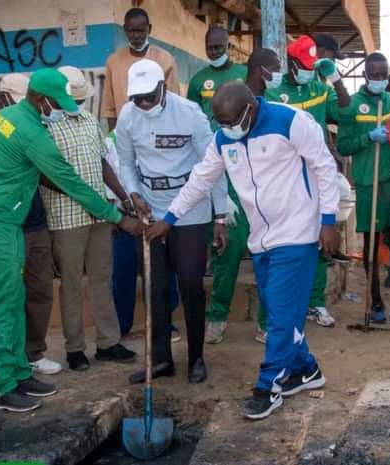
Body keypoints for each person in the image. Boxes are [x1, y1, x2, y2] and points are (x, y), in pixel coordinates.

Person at [148, 81, 339, 419]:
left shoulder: (291, 121)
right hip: (261, 236)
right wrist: (170, 218)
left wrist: (328, 220)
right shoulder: (224, 139)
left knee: (280, 314)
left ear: (250, 109)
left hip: (298, 233)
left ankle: (269, 385)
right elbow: (200, 180)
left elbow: (324, 166)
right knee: (278, 308)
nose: (225, 128)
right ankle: (305, 370)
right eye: (219, 123)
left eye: (231, 121)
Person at [0, 67, 142, 413]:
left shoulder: (8, 116)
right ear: (41, 99)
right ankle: (2, 387)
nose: (60, 109)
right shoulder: (32, 133)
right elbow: (71, 183)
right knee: (3, 303)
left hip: (5, 215)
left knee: (16, 298)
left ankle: (19, 372)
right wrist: (118, 217)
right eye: (56, 103)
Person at [117, 59, 228, 385]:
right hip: (150, 208)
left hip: (190, 209)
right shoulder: (127, 116)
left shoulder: (190, 113)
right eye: (137, 97)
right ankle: (161, 359)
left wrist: (220, 215)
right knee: (154, 287)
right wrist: (134, 194)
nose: (143, 103)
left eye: (148, 96)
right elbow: (125, 163)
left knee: (191, 285)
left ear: (163, 86)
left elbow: (213, 164)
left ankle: (195, 358)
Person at [0, 74, 62, 376]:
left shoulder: (32, 123)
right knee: (6, 298)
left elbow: (42, 170)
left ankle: (30, 356)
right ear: (4, 97)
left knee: (38, 289)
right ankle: (8, 373)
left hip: (32, 221)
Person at [41, 66, 136, 371]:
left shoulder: (89, 121)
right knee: (70, 284)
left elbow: (102, 163)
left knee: (101, 279)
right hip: (66, 217)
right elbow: (46, 175)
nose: (78, 104)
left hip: (100, 214)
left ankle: (108, 342)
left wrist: (123, 197)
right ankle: (75, 348)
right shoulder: (44, 126)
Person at [265, 34, 351, 328]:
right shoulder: (276, 92)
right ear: (291, 63)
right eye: (304, 65)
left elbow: (346, 110)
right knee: (288, 242)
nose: (308, 70)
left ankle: (316, 303)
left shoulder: (319, 87)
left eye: (312, 66)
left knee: (320, 240)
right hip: (284, 179)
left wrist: (335, 78)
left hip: (316, 177)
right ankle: (289, 306)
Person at [336, 52, 390, 325]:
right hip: (370, 182)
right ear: (365, 74)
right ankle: (375, 300)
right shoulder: (353, 106)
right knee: (371, 244)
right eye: (375, 75)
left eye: (385, 74)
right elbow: (343, 146)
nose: (380, 79)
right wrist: (368, 137)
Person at [187, 26, 254, 345]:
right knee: (225, 243)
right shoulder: (199, 80)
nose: (214, 52)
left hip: (248, 162)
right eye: (210, 47)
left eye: (219, 46)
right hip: (215, 164)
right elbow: (194, 121)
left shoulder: (243, 74)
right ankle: (216, 316)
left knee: (258, 247)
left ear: (229, 45)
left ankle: (269, 322)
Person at [105, 130, 182, 341]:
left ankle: (163, 323)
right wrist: (116, 216)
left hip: (156, 217)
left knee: (163, 272)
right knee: (123, 272)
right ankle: (122, 324)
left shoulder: (158, 138)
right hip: (126, 219)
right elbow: (107, 175)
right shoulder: (112, 141)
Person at [101, 7, 179, 130]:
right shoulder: (113, 62)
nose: (136, 36)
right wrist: (114, 138)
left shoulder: (165, 60)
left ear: (150, 29)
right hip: (126, 131)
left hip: (158, 130)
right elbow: (110, 108)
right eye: (132, 31)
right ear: (125, 29)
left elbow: (173, 103)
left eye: (141, 31)